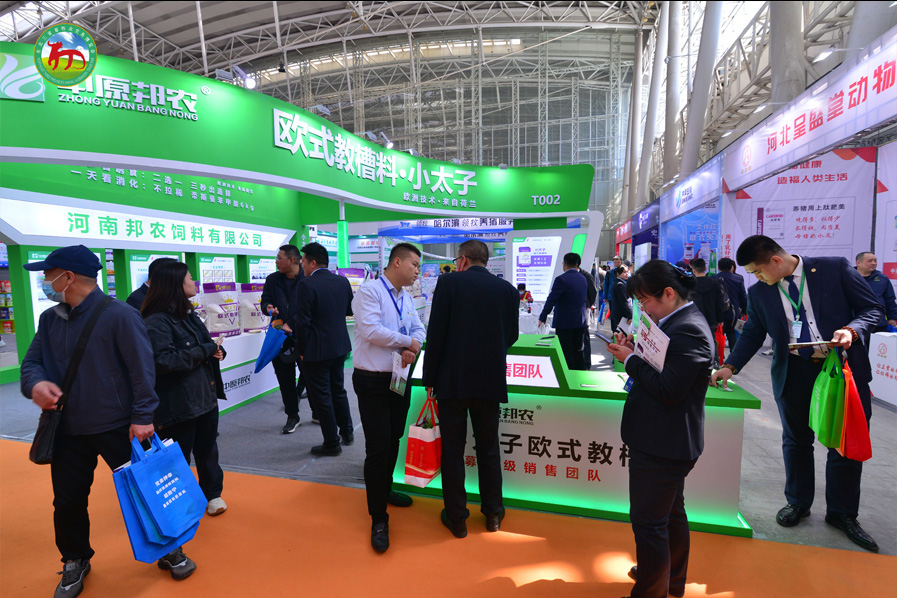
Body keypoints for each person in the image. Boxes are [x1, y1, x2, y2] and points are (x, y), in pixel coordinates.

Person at [19, 246, 195, 597]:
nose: (44, 280)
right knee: (67, 501)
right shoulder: (51, 319)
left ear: (68, 277)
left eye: (48, 274)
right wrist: (36, 384)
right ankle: (75, 558)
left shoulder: (120, 315)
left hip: (120, 426)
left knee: (146, 491)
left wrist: (143, 416)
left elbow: (142, 370)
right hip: (67, 426)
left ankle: (170, 548)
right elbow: (32, 363)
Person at [711, 235, 883, 552]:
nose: (757, 278)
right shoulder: (760, 292)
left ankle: (842, 513)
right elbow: (753, 333)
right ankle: (798, 502)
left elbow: (873, 309)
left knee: (844, 441)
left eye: (758, 271)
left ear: (776, 260)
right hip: (793, 371)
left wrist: (852, 330)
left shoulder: (833, 269)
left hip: (840, 370)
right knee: (795, 439)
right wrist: (730, 366)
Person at [606, 260, 712, 598]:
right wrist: (635, 349)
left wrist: (630, 360)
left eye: (645, 301)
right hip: (663, 439)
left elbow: (668, 389)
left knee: (649, 523)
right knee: (670, 514)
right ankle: (670, 580)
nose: (643, 309)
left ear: (668, 293)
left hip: (663, 442)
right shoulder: (674, 321)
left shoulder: (689, 329)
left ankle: (651, 590)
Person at [423, 240, 519, 538]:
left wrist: (429, 379)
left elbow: (436, 334)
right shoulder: (508, 291)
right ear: (485, 260)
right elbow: (512, 336)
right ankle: (493, 514)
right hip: (490, 380)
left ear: (462, 260)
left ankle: (457, 518)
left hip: (453, 381)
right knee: (488, 448)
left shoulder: (448, 284)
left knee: (453, 450)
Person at [351, 243, 426, 552]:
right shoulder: (369, 292)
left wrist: (411, 345)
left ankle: (386, 489)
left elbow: (420, 329)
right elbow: (371, 330)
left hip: (398, 377)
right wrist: (407, 342)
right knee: (378, 447)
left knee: (394, 437)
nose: (418, 270)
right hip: (372, 380)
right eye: (414, 264)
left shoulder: (406, 297)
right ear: (397, 262)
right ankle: (378, 517)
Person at [141, 260, 228, 520]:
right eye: (190, 277)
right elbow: (163, 361)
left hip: (204, 395)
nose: (194, 282)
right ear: (176, 284)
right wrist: (206, 350)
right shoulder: (156, 322)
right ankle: (178, 504)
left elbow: (206, 345)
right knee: (177, 458)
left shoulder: (188, 314)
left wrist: (217, 351)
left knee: (208, 449)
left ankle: (212, 495)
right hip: (179, 404)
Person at [288, 242, 355, 456]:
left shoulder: (307, 285)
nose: (302, 266)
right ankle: (347, 432)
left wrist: (301, 349)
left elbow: (303, 323)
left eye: (303, 262)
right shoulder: (342, 281)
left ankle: (332, 443)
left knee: (322, 397)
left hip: (316, 350)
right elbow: (349, 310)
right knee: (338, 390)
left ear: (313, 262)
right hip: (339, 346)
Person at [260, 244, 312, 434]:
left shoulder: (308, 279)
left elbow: (310, 308)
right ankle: (292, 415)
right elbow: (265, 300)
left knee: (311, 376)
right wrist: (268, 308)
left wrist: (292, 323)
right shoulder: (273, 280)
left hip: (304, 336)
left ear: (291, 260)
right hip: (279, 335)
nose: (276, 262)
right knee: (285, 378)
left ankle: (318, 412)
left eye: (279, 258)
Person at [539, 253, 588, 371]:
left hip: (565, 322)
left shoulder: (561, 279)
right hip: (580, 321)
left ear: (564, 264)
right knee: (578, 350)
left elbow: (552, 299)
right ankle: (579, 374)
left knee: (565, 351)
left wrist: (543, 316)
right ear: (577, 264)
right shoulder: (583, 278)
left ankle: (567, 375)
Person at [855, 252, 897, 333]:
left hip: (878, 323)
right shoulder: (848, 277)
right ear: (858, 263)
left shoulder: (882, 279)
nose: (873, 263)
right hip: (854, 323)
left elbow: (890, 300)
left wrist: (892, 318)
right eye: (870, 261)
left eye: (875, 261)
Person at [715, 257, 748, 350]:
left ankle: (719, 356)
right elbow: (743, 296)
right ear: (731, 267)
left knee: (717, 334)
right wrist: (744, 310)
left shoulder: (713, 278)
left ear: (718, 267)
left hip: (717, 312)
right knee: (731, 333)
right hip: (733, 312)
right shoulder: (738, 279)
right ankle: (733, 356)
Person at [689, 258, 729, 333]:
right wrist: (720, 319)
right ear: (705, 268)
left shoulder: (690, 285)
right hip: (711, 319)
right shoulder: (715, 283)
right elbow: (719, 302)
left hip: (694, 319)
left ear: (693, 270)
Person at [577, 256, 599, 369]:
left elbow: (593, 292)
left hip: (584, 310)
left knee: (584, 336)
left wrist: (588, 305)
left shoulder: (586, 276)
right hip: (574, 312)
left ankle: (586, 363)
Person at [609, 265, 632, 333]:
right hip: (621, 315)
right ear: (618, 274)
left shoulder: (618, 283)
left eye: (627, 272)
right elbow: (623, 302)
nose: (627, 274)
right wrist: (629, 316)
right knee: (622, 334)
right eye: (624, 272)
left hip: (618, 313)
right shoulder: (620, 285)